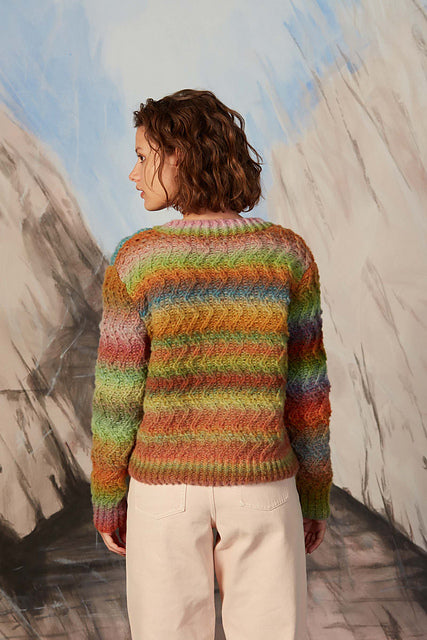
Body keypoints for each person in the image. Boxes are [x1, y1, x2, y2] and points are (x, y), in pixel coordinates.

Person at [89, 89, 333, 640]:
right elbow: (308, 396)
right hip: (263, 486)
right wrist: (314, 492)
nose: (133, 174)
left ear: (178, 155)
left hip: (163, 492)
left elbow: (117, 398)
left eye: (142, 156)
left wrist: (108, 496)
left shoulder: (137, 261)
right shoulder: (288, 255)